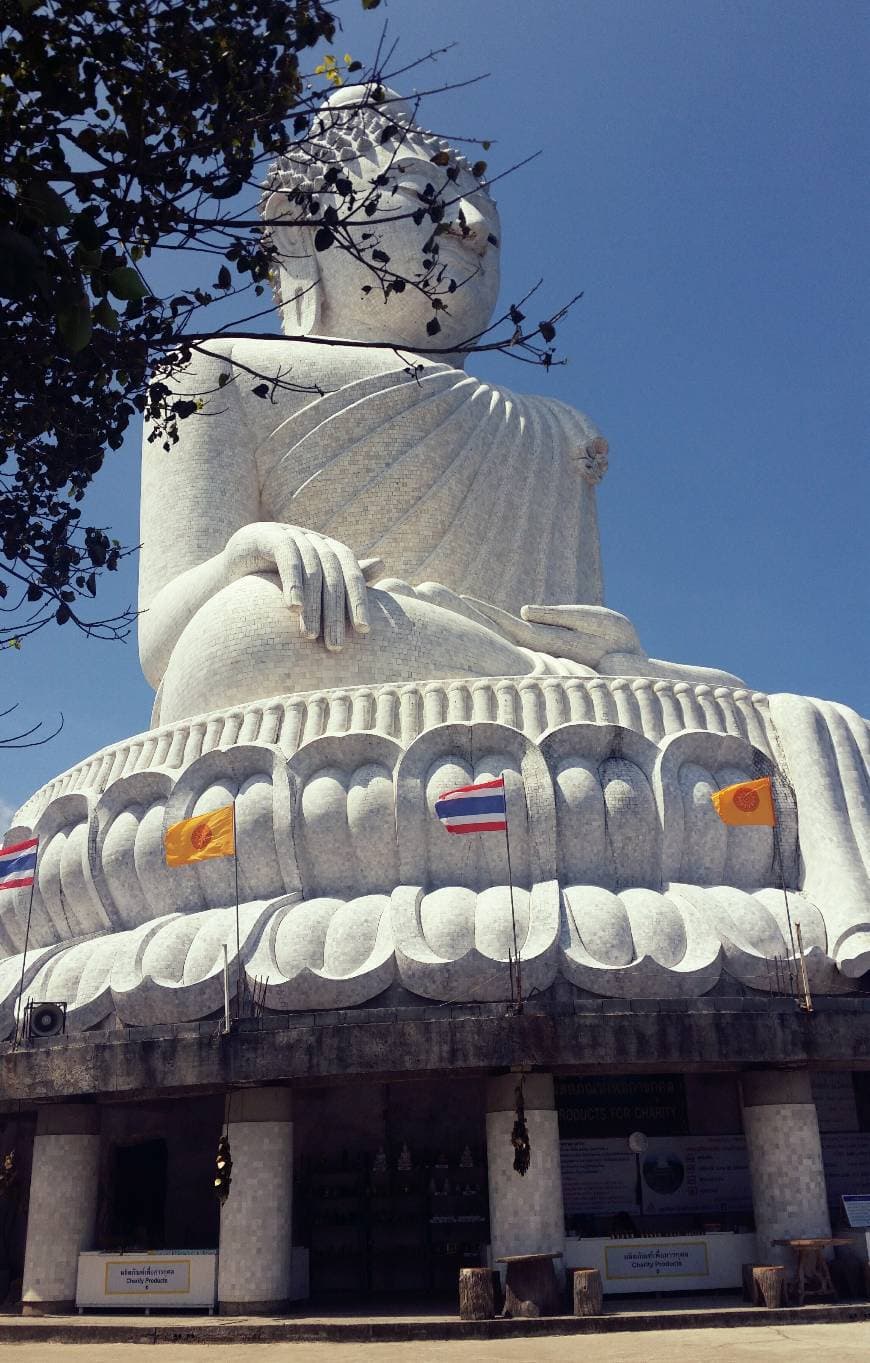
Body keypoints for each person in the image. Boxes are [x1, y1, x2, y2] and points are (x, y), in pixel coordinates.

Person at [139, 87, 739, 726]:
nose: (471, 228)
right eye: (422, 194)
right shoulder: (212, 369)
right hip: (329, 651)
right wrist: (242, 557)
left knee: (767, 705)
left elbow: (560, 624)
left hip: (500, 676)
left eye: (486, 215)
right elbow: (163, 648)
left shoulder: (557, 429)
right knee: (243, 630)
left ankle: (572, 691)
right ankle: (568, 694)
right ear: (303, 226)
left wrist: (605, 652)